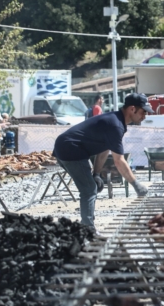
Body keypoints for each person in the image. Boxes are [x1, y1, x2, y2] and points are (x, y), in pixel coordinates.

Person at [52, 93, 153, 229]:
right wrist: (136, 185)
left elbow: (104, 148)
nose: (145, 116)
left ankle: (87, 225)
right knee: (89, 189)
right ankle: (88, 230)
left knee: (90, 187)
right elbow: (119, 161)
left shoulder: (116, 121)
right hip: (70, 148)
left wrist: (97, 174)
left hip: (66, 147)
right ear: (132, 109)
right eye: (143, 112)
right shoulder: (116, 125)